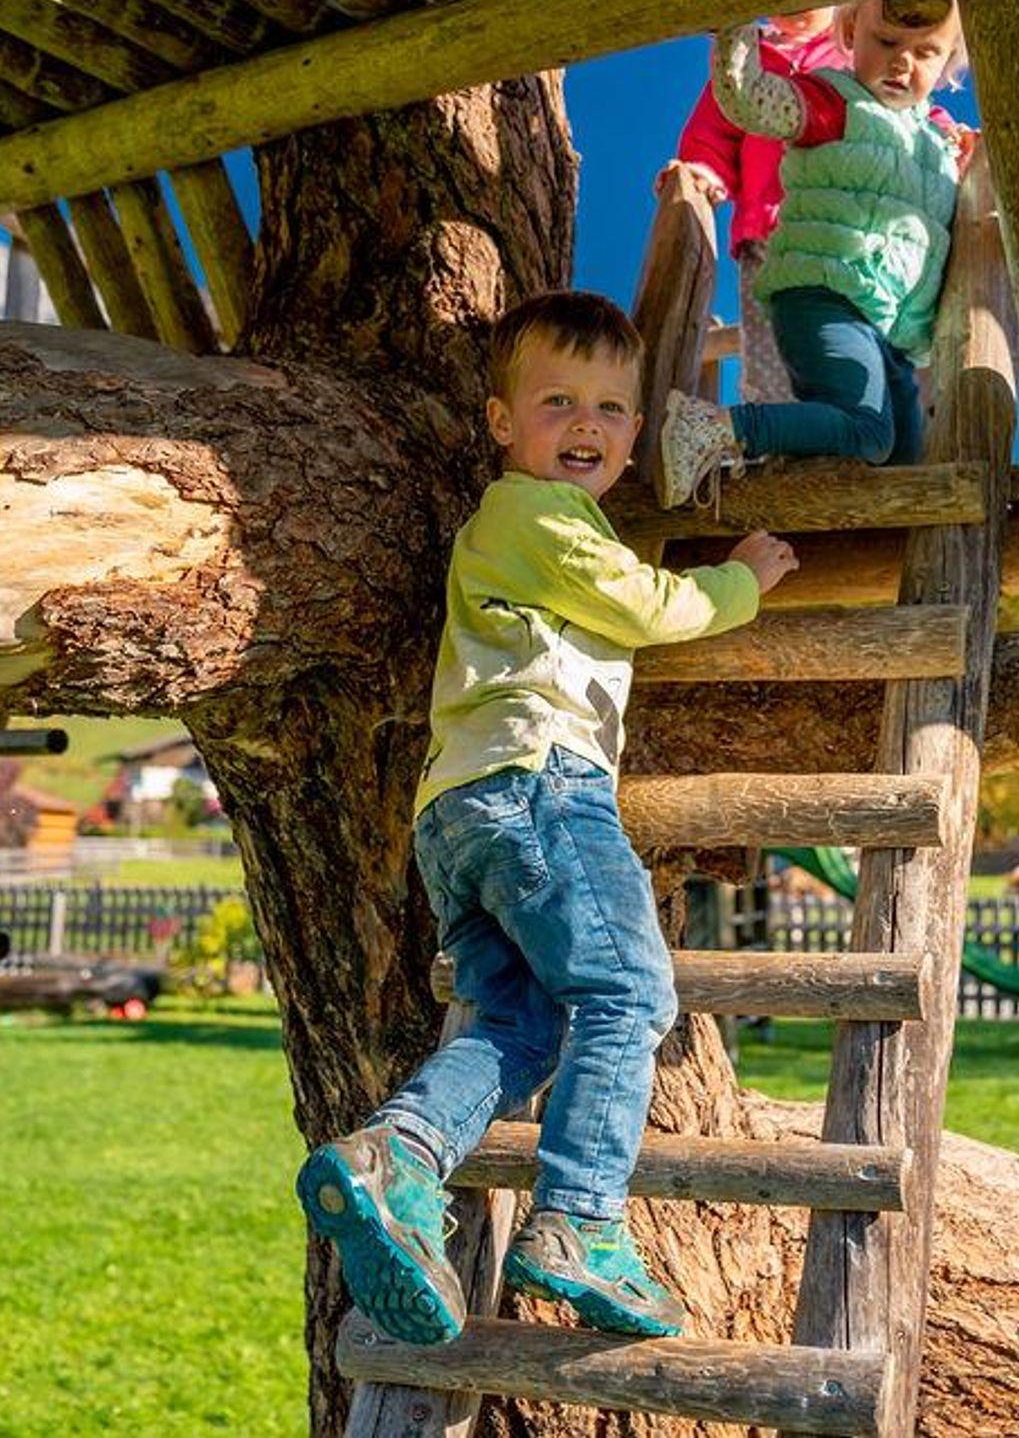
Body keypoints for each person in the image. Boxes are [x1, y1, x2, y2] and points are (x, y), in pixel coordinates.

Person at [296, 291, 797, 1344]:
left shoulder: (530, 527)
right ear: (500, 421)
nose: (585, 424)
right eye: (557, 401)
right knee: (628, 991)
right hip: (540, 786)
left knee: (522, 1027)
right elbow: (646, 605)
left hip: (460, 812)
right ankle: (579, 1221)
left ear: (634, 433)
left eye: (610, 409)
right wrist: (741, 580)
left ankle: (395, 1158)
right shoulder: (537, 516)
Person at [657, 0, 975, 509]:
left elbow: (936, 167)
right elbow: (744, 106)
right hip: (812, 273)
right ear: (852, 31)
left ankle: (831, 488)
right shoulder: (831, 95)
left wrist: (962, 149)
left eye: (925, 52)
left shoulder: (925, 126)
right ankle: (726, 432)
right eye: (888, 43)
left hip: (887, 313)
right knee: (843, 416)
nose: (903, 62)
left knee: (901, 450)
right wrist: (733, 20)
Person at [665, 5, 848, 403]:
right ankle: (773, 423)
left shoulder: (852, 50)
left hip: (839, 232)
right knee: (770, 345)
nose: (795, 1)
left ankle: (843, 420)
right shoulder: (749, 56)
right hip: (768, 232)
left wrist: (947, 138)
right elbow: (714, 131)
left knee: (840, 341)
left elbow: (903, 107)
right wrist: (705, 170)